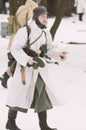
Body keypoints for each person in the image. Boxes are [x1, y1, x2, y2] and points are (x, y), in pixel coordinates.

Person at [5, 6, 67, 130]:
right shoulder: (25, 31)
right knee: (18, 95)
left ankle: (43, 125)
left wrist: (59, 54)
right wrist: (27, 60)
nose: (45, 19)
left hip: (39, 70)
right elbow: (15, 49)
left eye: (46, 16)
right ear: (36, 17)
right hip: (24, 69)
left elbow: (50, 49)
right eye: (42, 16)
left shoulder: (46, 32)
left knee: (42, 95)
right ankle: (10, 122)